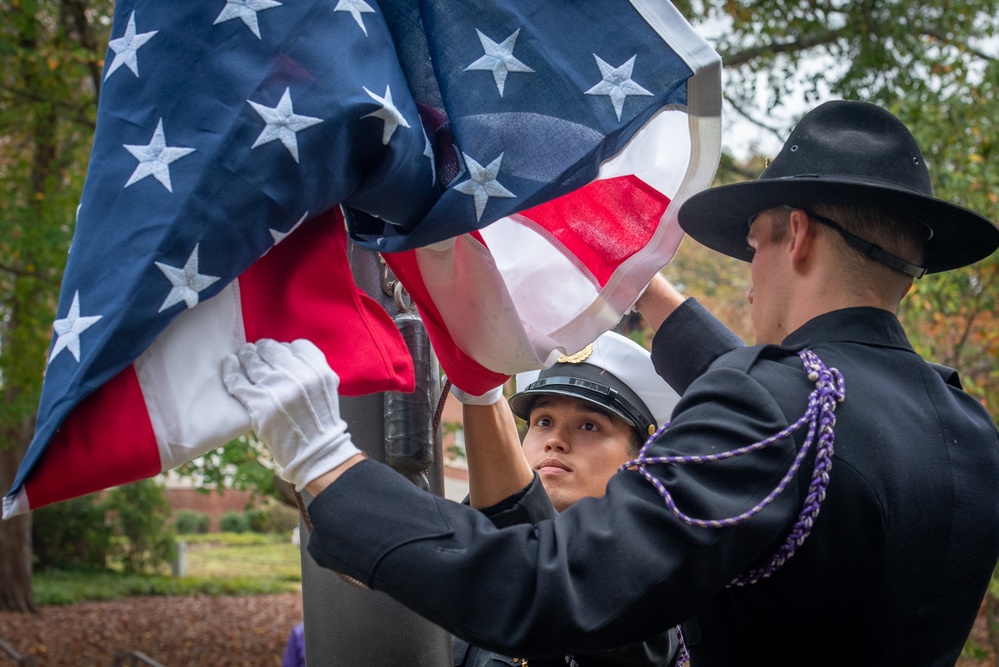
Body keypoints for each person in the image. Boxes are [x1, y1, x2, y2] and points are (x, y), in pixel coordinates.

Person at [222, 100, 999, 665]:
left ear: (792, 235)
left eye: (750, 245)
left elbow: (548, 587)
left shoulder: (779, 406)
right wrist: (641, 287)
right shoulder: (968, 430)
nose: (750, 277)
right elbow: (802, 424)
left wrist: (329, 465)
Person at [450, 331, 682, 666]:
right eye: (543, 421)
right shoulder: (457, 548)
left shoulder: (649, 586)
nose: (555, 440)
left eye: (589, 426)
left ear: (637, 466)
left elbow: (556, 573)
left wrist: (482, 396)